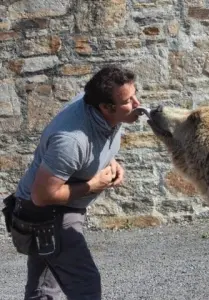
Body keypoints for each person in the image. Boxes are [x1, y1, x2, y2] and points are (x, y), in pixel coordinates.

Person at [10, 65, 141, 299]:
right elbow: (41, 196)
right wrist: (93, 185)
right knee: (85, 286)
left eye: (134, 94)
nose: (137, 104)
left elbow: (96, 147)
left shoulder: (102, 108)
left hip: (61, 206)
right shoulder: (70, 141)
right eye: (128, 100)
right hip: (45, 214)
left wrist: (111, 162)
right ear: (105, 107)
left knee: (44, 290)